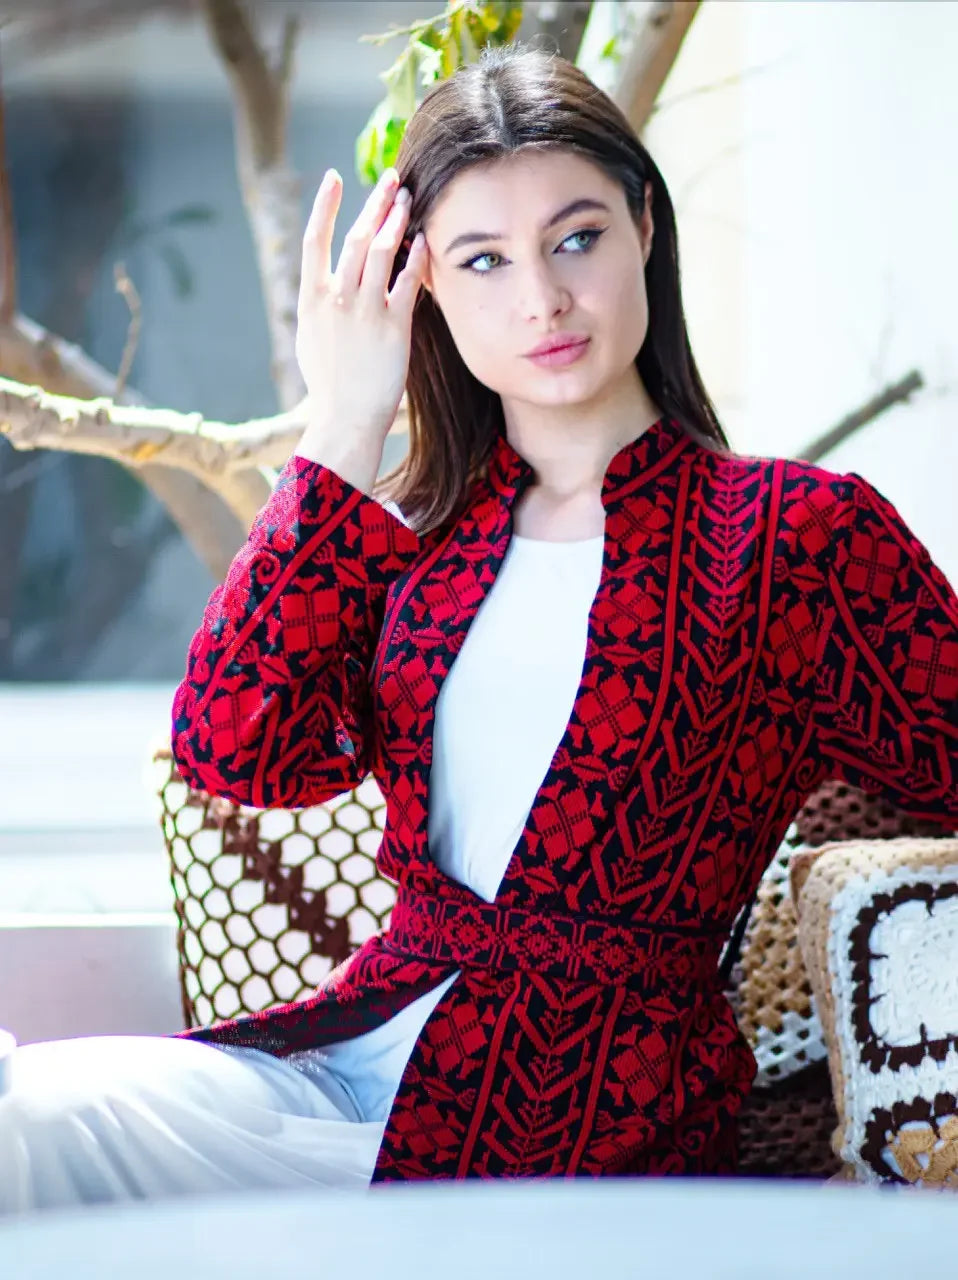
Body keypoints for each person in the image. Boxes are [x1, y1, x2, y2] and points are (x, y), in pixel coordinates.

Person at [2, 41, 957, 1213]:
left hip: (589, 1121)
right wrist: (342, 428)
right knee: (27, 1119)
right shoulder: (409, 540)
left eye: (577, 238)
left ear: (644, 227)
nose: (541, 299)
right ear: (425, 289)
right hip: (347, 1070)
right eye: (482, 260)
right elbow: (235, 751)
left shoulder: (796, 538)